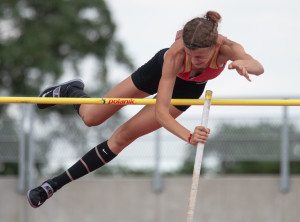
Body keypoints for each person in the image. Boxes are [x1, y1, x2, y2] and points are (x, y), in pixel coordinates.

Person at [27, 11, 264, 208]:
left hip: (186, 93)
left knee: (122, 137)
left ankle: (52, 186)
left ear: (214, 47)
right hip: (157, 73)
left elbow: (258, 66)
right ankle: (70, 91)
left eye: (200, 57)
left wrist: (245, 64)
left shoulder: (228, 48)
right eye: (190, 54)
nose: (193, 61)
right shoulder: (176, 55)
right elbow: (161, 112)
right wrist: (189, 136)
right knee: (91, 118)